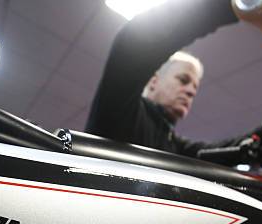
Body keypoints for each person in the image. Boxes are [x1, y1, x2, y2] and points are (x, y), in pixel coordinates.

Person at [86, 0, 241, 157]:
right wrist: (233, 5)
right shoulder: (121, 108)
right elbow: (133, 43)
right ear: (154, 81)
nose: (190, 92)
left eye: (194, 88)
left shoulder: (172, 143)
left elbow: (220, 153)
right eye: (183, 80)